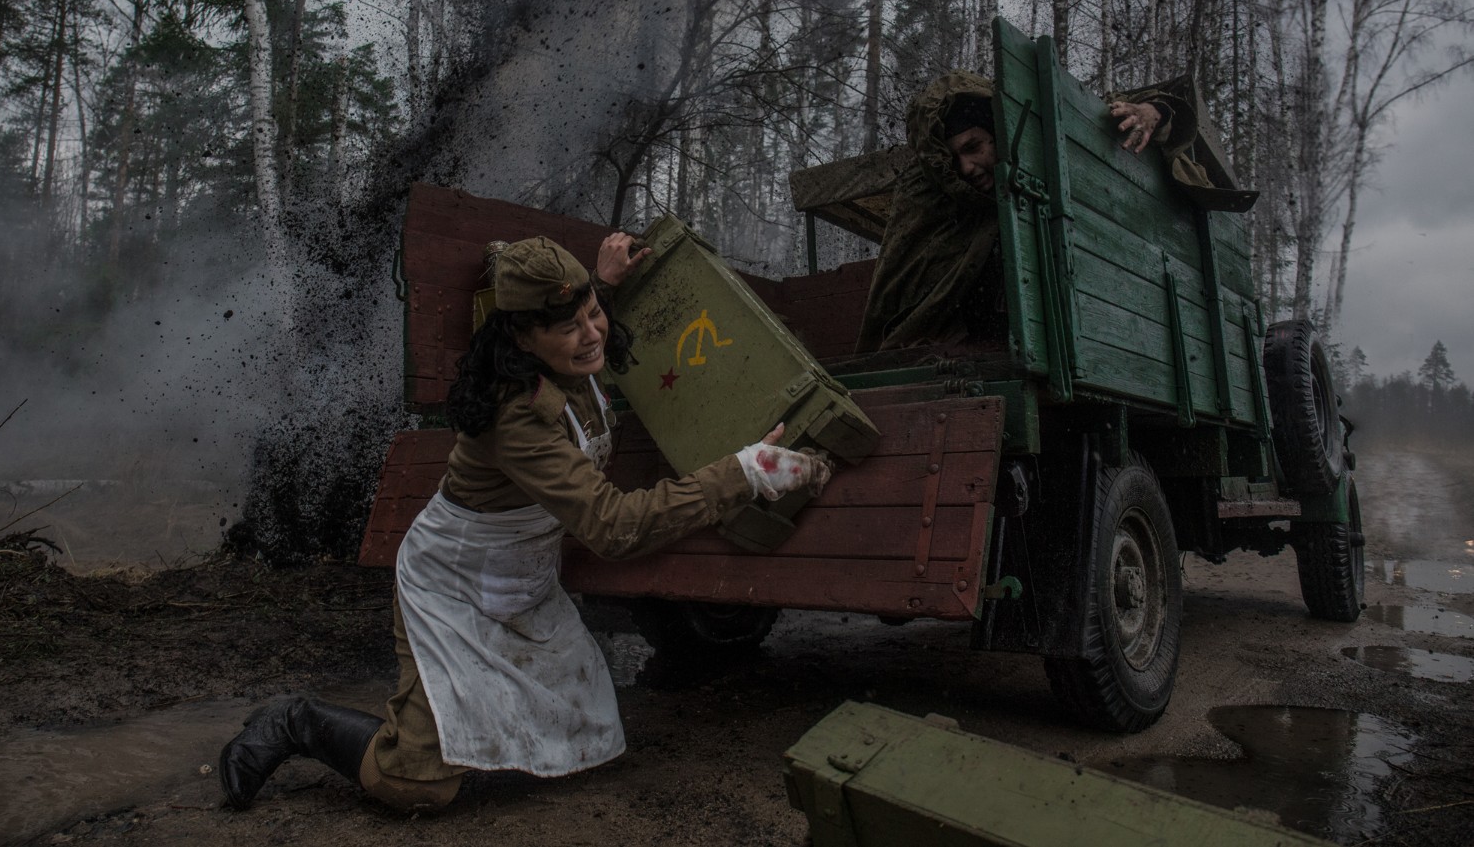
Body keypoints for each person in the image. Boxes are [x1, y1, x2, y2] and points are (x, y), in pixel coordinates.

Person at [218, 234, 831, 811]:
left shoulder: (567, 345)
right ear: (521, 339)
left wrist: (600, 283)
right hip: (450, 588)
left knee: (581, 744)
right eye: (570, 326)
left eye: (595, 313)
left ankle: (449, 718)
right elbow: (613, 527)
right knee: (416, 785)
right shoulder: (515, 414)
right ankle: (296, 720)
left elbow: (573, 315)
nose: (592, 334)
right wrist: (743, 474)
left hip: (521, 582)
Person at [855, 71, 1197, 353]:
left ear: (998, 130)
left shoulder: (1053, 152)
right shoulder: (935, 201)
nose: (968, 168)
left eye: (973, 147)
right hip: (973, 356)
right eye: (953, 161)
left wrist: (1154, 112)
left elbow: (1114, 121)